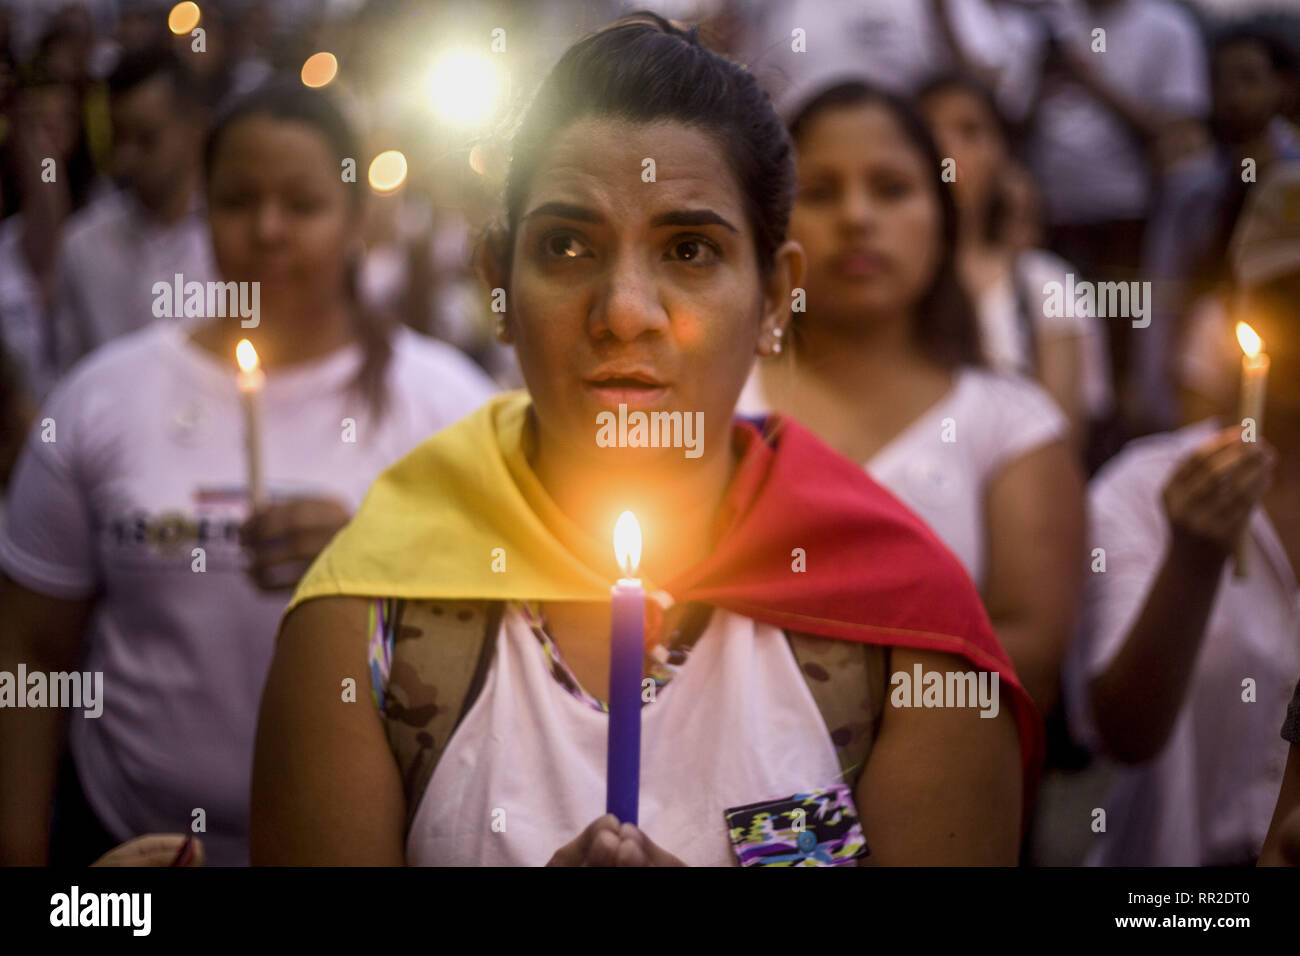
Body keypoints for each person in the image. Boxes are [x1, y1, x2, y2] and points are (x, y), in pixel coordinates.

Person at [251, 13, 1041, 868]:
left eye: (690, 249)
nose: (625, 310)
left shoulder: (907, 628)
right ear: (498, 287)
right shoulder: (364, 615)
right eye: (566, 246)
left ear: (776, 298)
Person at [0, 80, 497, 866]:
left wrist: (375, 569)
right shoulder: (102, 399)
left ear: (357, 216)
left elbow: (509, 640)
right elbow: (31, 649)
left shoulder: (449, 407)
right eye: (238, 200)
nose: (268, 231)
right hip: (129, 842)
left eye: (302, 203)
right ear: (203, 207)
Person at [737, 80, 1084, 720]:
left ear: (944, 221)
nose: (857, 218)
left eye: (892, 189)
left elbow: (1026, 659)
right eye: (820, 191)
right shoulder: (723, 399)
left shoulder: (1012, 426)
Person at [1064, 164, 1300, 866]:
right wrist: (1191, 563)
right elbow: (1124, 733)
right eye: (1289, 297)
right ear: (1236, 315)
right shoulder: (1141, 489)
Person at [919, 73, 1111, 455]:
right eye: (927, 132)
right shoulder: (885, 280)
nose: (945, 150)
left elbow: (1060, 442)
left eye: (969, 132)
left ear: (1001, 157)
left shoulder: (1044, 284)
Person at [49, 46, 217, 372]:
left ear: (196, 131)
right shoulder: (83, 245)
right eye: (119, 138)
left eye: (146, 138)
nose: (126, 157)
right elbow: (68, 375)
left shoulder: (234, 237)